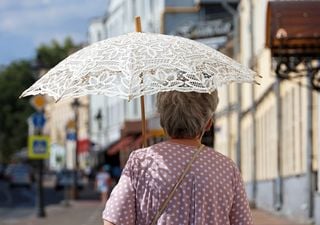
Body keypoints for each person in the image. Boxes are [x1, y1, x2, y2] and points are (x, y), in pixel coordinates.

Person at [102, 91, 253, 225]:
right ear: (208, 124)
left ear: (162, 122)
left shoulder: (141, 161)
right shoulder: (226, 168)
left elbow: (113, 220)